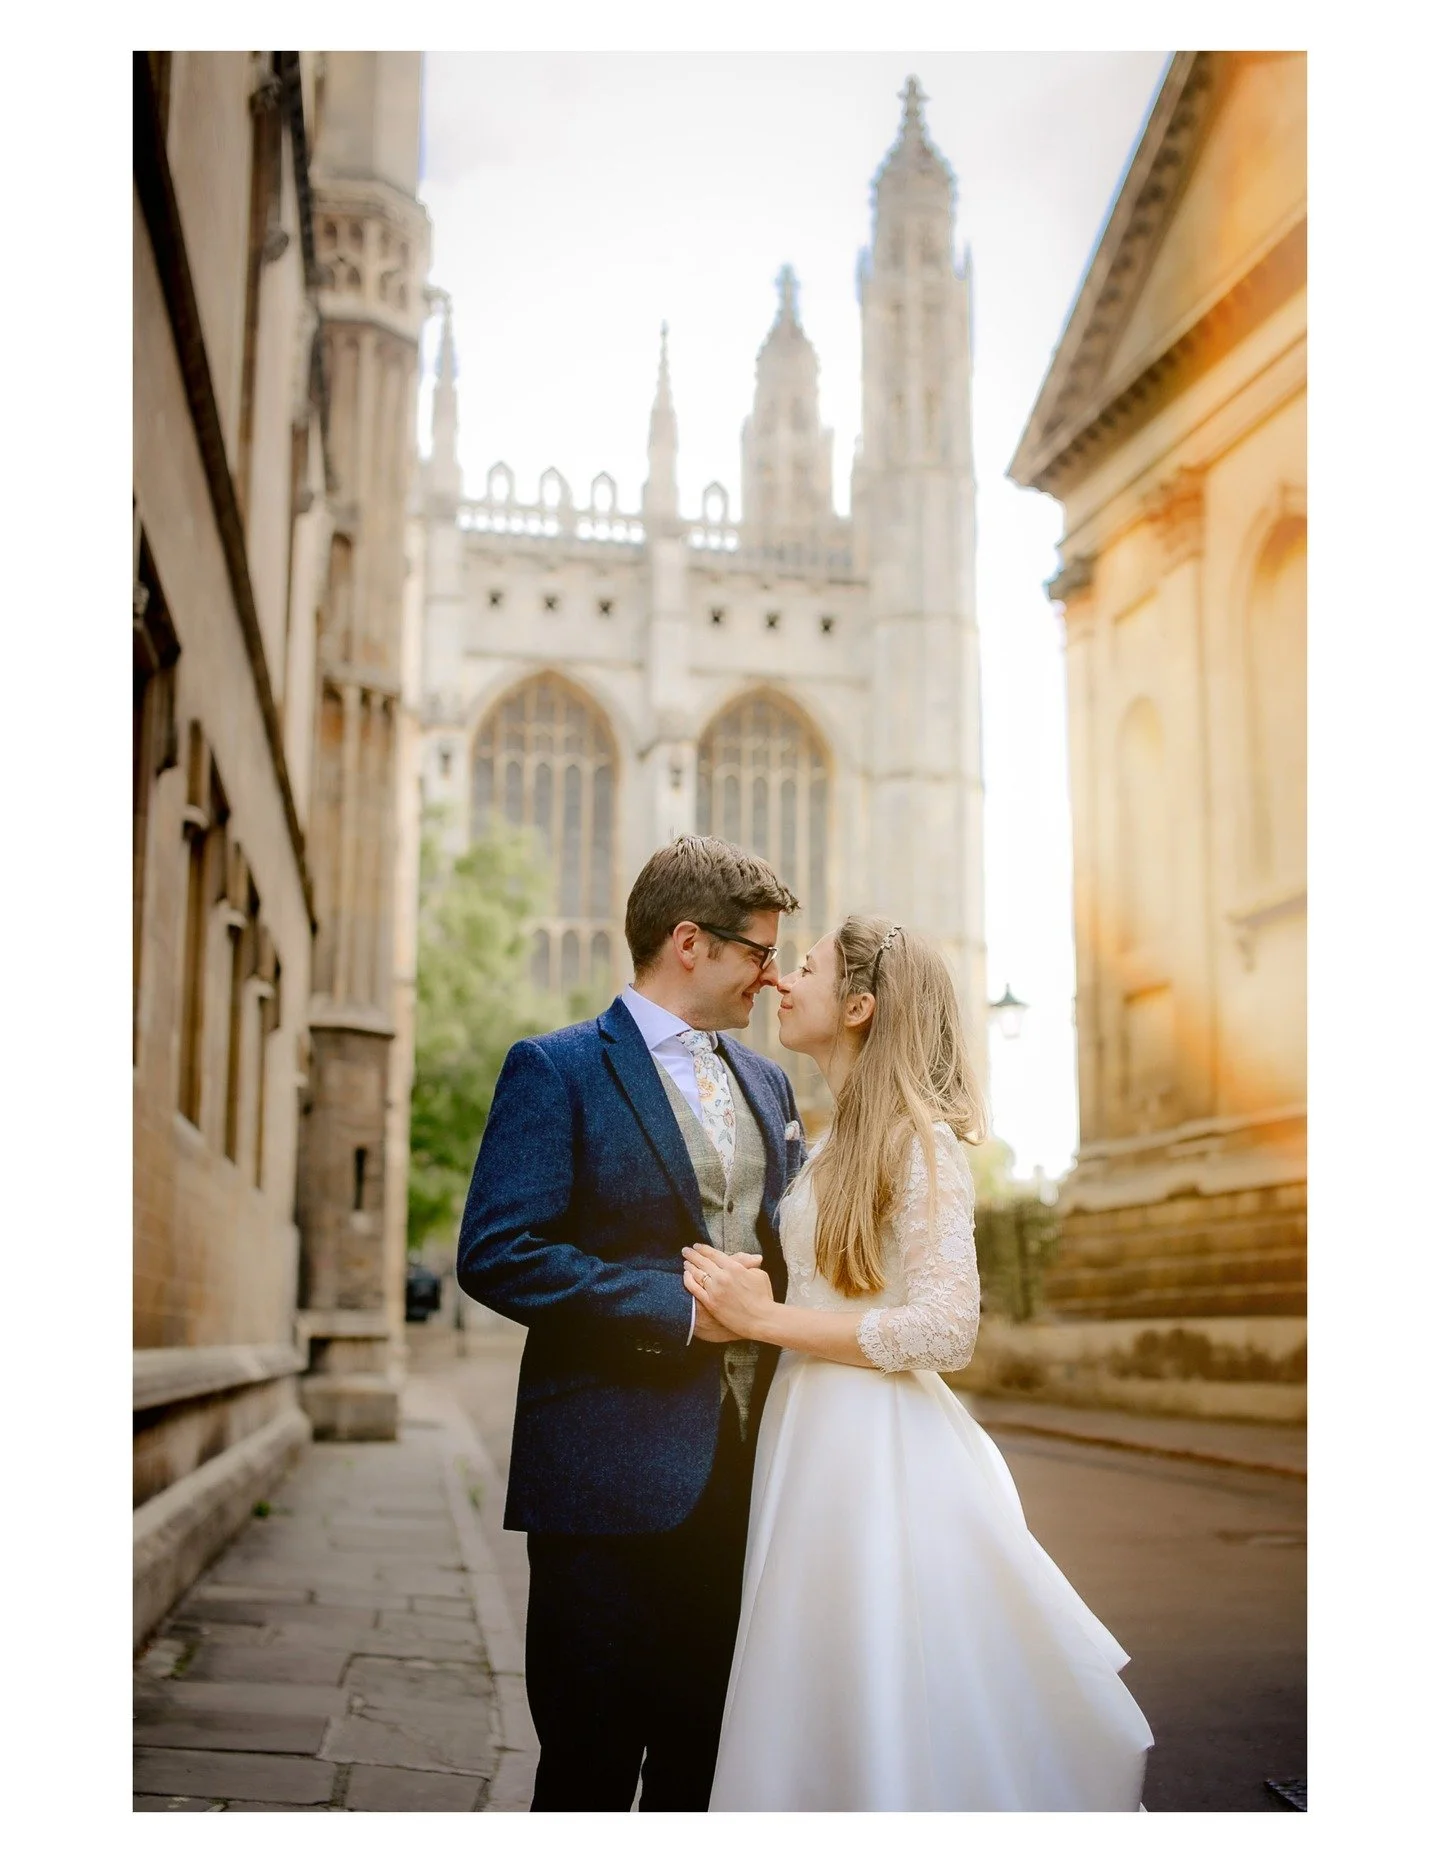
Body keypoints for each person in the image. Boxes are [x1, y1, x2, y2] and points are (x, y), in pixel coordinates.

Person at [685, 916, 1155, 1811]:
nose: (784, 978)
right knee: (812, 1675)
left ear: (859, 1005)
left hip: (875, 1452)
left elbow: (947, 1328)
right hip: (807, 1434)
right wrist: (743, 1308)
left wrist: (768, 1317)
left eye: (809, 966)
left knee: (875, 1678)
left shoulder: (916, 1138)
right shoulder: (830, 1138)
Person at [455, 836, 808, 1811]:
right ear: (689, 943)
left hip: (752, 1479)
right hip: (606, 1485)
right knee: (590, 1768)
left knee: (710, 1763)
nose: (771, 977)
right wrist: (675, 1311)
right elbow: (497, 1251)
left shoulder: (769, 1084)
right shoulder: (557, 1068)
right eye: (758, 952)